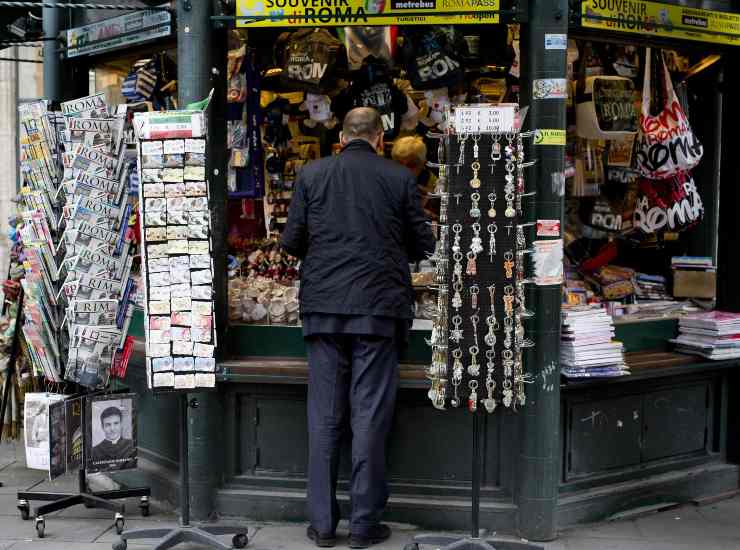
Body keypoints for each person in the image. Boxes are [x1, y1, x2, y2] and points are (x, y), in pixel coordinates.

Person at [281, 107, 435, 549]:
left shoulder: (312, 175)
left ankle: (323, 524)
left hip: (324, 309)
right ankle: (365, 525)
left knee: (325, 417)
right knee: (369, 416)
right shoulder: (398, 178)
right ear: (380, 138)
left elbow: (291, 242)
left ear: (342, 137)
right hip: (378, 310)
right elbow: (422, 242)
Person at [391, 136, 440, 220]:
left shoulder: (432, 181)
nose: (404, 169)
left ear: (422, 164)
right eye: (399, 163)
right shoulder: (384, 179)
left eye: (411, 165)